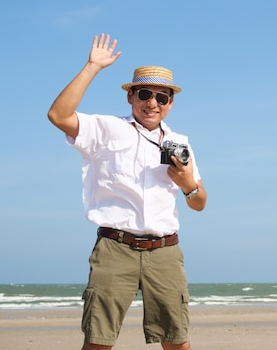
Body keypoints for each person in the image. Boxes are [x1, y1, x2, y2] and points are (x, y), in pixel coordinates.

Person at [47, 33, 207, 350]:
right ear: (130, 96)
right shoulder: (106, 129)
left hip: (165, 251)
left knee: (177, 341)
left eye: (162, 98)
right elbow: (58, 115)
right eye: (145, 94)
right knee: (98, 341)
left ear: (170, 103)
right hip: (115, 247)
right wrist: (93, 66)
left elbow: (200, 202)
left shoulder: (179, 142)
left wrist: (188, 185)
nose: (152, 103)